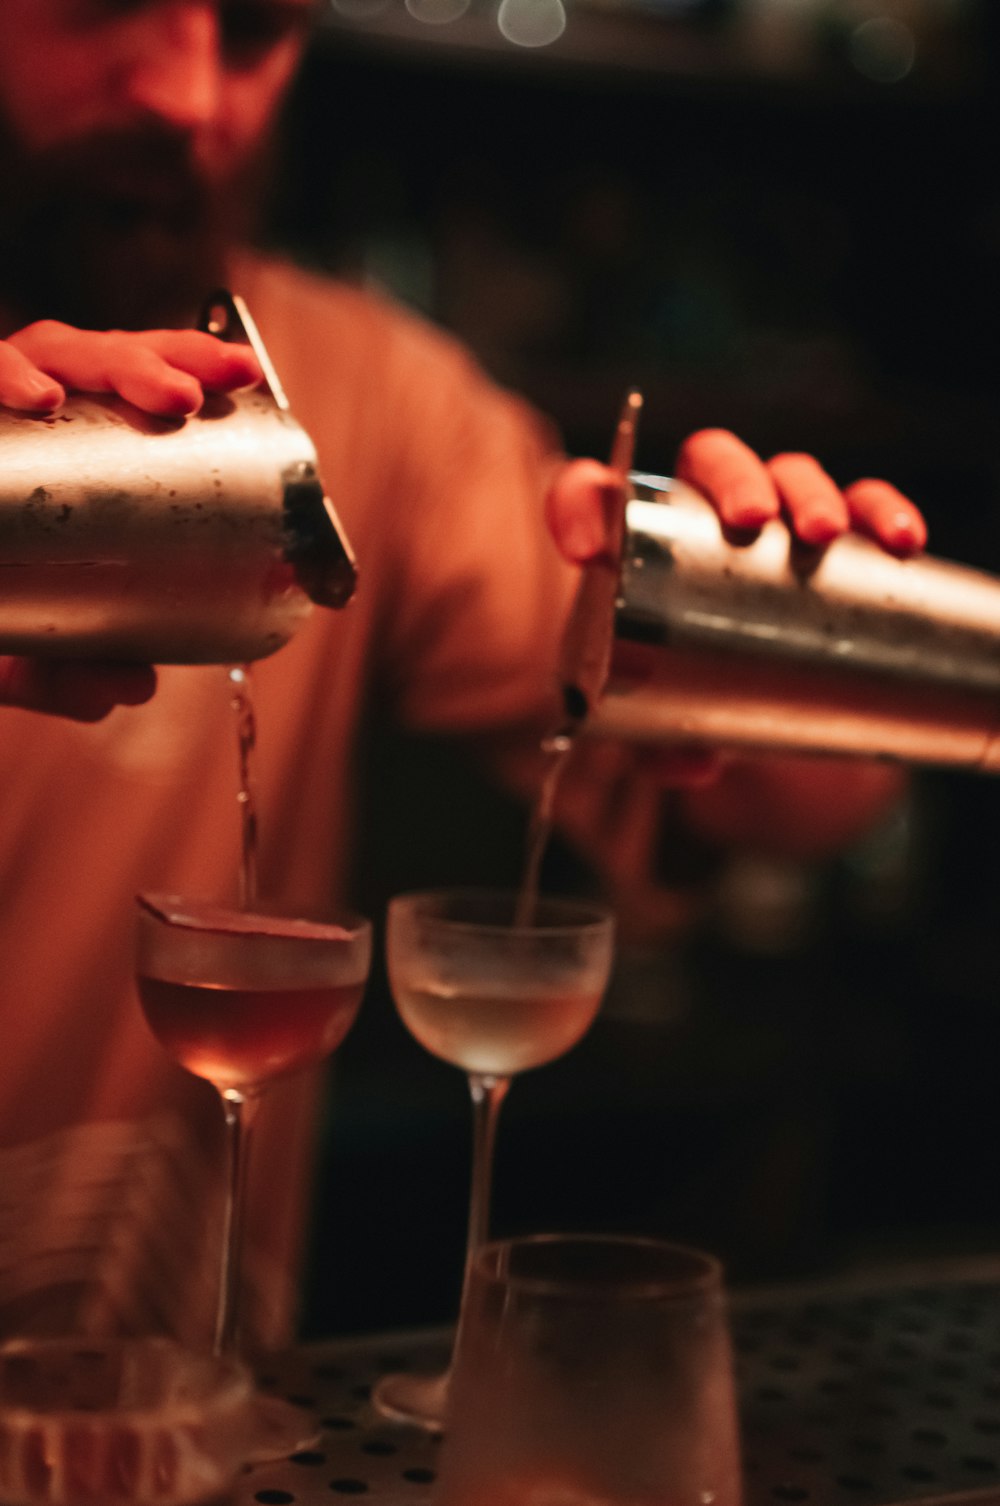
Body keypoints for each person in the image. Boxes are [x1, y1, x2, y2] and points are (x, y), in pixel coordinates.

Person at [0, 0, 927, 1346]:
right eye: (105, 3)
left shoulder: (351, 396)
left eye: (255, 31)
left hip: (157, 1437)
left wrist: (785, 612)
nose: (192, 95)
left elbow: (810, 802)